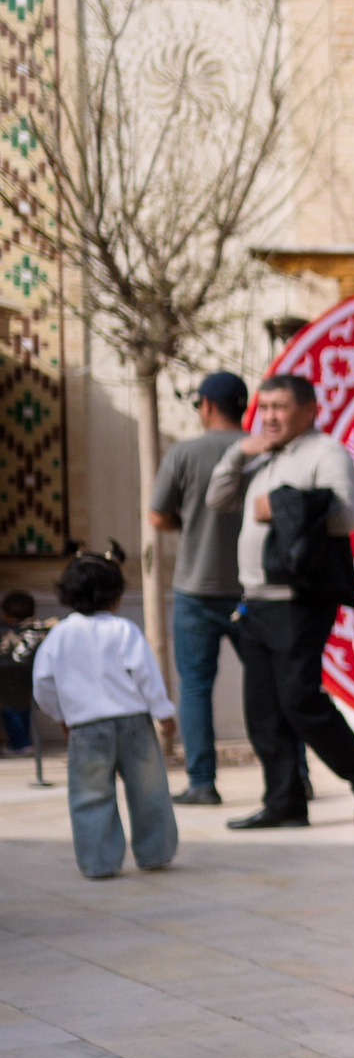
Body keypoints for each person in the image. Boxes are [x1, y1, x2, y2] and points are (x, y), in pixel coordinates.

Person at [207, 372, 354, 832]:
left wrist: (280, 503)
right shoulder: (264, 455)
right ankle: (284, 801)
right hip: (255, 601)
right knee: (263, 709)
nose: (269, 417)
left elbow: (345, 517)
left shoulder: (325, 452)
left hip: (299, 599)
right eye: (263, 408)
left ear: (308, 410)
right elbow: (217, 499)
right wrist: (237, 452)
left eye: (280, 408)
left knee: (299, 699)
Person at [34, 552, 177, 879]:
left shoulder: (59, 635)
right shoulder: (123, 629)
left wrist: (62, 715)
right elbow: (146, 675)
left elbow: (42, 683)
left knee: (90, 795)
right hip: (134, 724)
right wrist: (163, 712)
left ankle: (99, 862)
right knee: (149, 791)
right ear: (115, 595)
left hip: (85, 728)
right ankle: (156, 853)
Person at [146, 372, 249, 805]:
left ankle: (202, 782)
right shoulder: (262, 451)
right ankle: (294, 775)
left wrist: (187, 525)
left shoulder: (184, 453)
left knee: (195, 686)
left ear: (206, 405)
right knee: (274, 682)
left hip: (196, 585)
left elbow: (157, 516)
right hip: (253, 590)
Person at [1, 589, 39, 756]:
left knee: (10, 713)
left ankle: (20, 743)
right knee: (24, 711)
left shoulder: (4, 631)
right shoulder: (34, 630)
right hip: (27, 679)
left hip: (6, 680)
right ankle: (24, 741)